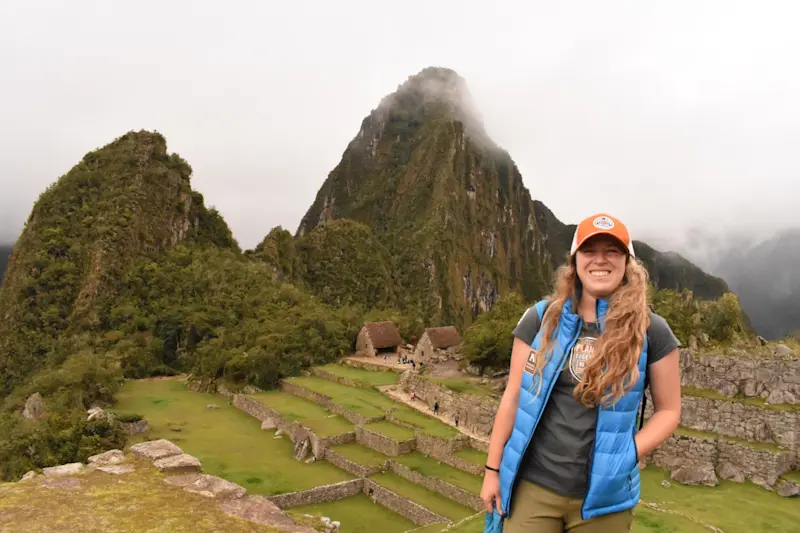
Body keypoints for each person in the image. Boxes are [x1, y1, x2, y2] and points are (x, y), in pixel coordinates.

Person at [481, 213, 682, 533]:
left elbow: (670, 410)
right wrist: (492, 470)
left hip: (605, 498)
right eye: (590, 251)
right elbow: (514, 395)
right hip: (535, 486)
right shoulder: (541, 319)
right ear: (574, 262)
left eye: (612, 251)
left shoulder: (651, 330)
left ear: (627, 263)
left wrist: (627, 454)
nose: (600, 260)